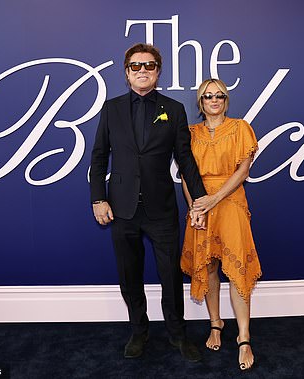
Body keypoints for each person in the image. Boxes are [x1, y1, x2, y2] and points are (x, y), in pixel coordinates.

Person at [89, 43, 207, 362]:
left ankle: (177, 335)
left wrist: (200, 200)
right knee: (130, 275)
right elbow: (99, 157)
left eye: (149, 66)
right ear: (127, 73)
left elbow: (185, 159)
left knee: (170, 275)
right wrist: (98, 198)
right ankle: (139, 332)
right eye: (136, 66)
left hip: (161, 210)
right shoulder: (111, 109)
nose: (143, 71)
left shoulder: (175, 109)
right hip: (122, 208)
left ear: (158, 71)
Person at [180, 78, 262, 371]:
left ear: (225, 100)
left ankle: (243, 337)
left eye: (219, 95)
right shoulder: (190, 134)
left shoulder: (241, 128)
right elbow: (187, 176)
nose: (214, 100)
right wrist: (195, 207)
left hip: (230, 203)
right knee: (209, 265)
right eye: (207, 96)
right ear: (200, 103)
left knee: (237, 265)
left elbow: (242, 172)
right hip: (200, 205)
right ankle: (216, 323)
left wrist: (213, 200)